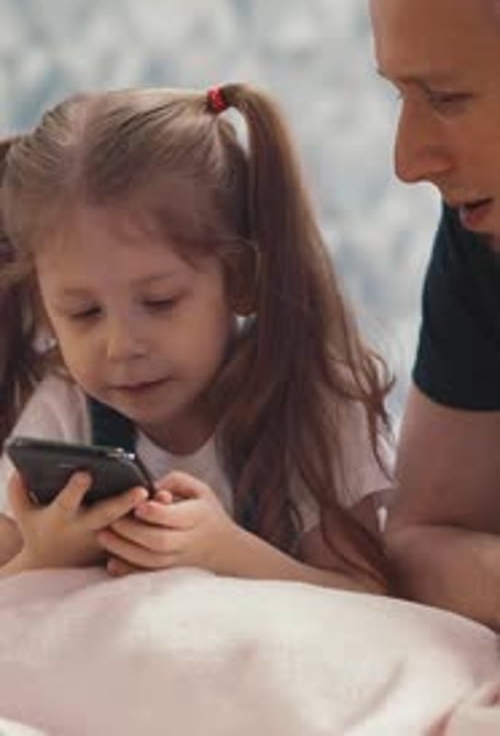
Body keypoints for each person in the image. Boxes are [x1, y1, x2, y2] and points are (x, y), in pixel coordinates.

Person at [0, 83, 392, 591]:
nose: (121, 346)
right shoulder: (63, 413)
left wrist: (225, 552)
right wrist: (44, 557)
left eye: (161, 302)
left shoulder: (319, 408)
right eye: (83, 313)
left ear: (241, 278)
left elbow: (374, 600)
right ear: (45, 309)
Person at [370, 0, 500, 625]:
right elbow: (418, 540)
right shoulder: (481, 237)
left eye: (445, 97)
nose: (408, 162)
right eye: (400, 96)